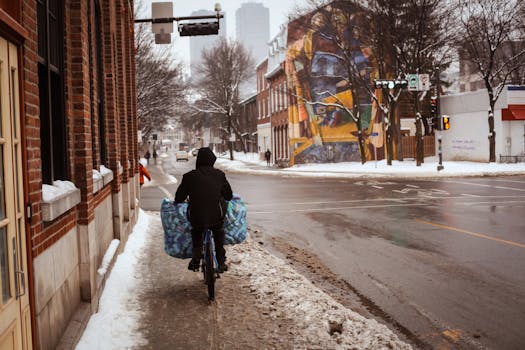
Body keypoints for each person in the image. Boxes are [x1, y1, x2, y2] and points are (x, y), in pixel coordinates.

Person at [174, 147, 233, 273]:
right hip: (216, 216)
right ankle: (221, 262)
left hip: (196, 216)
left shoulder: (188, 177)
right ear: (212, 160)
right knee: (218, 233)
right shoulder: (220, 175)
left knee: (196, 231)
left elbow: (179, 198)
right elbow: (228, 196)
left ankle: (196, 257)